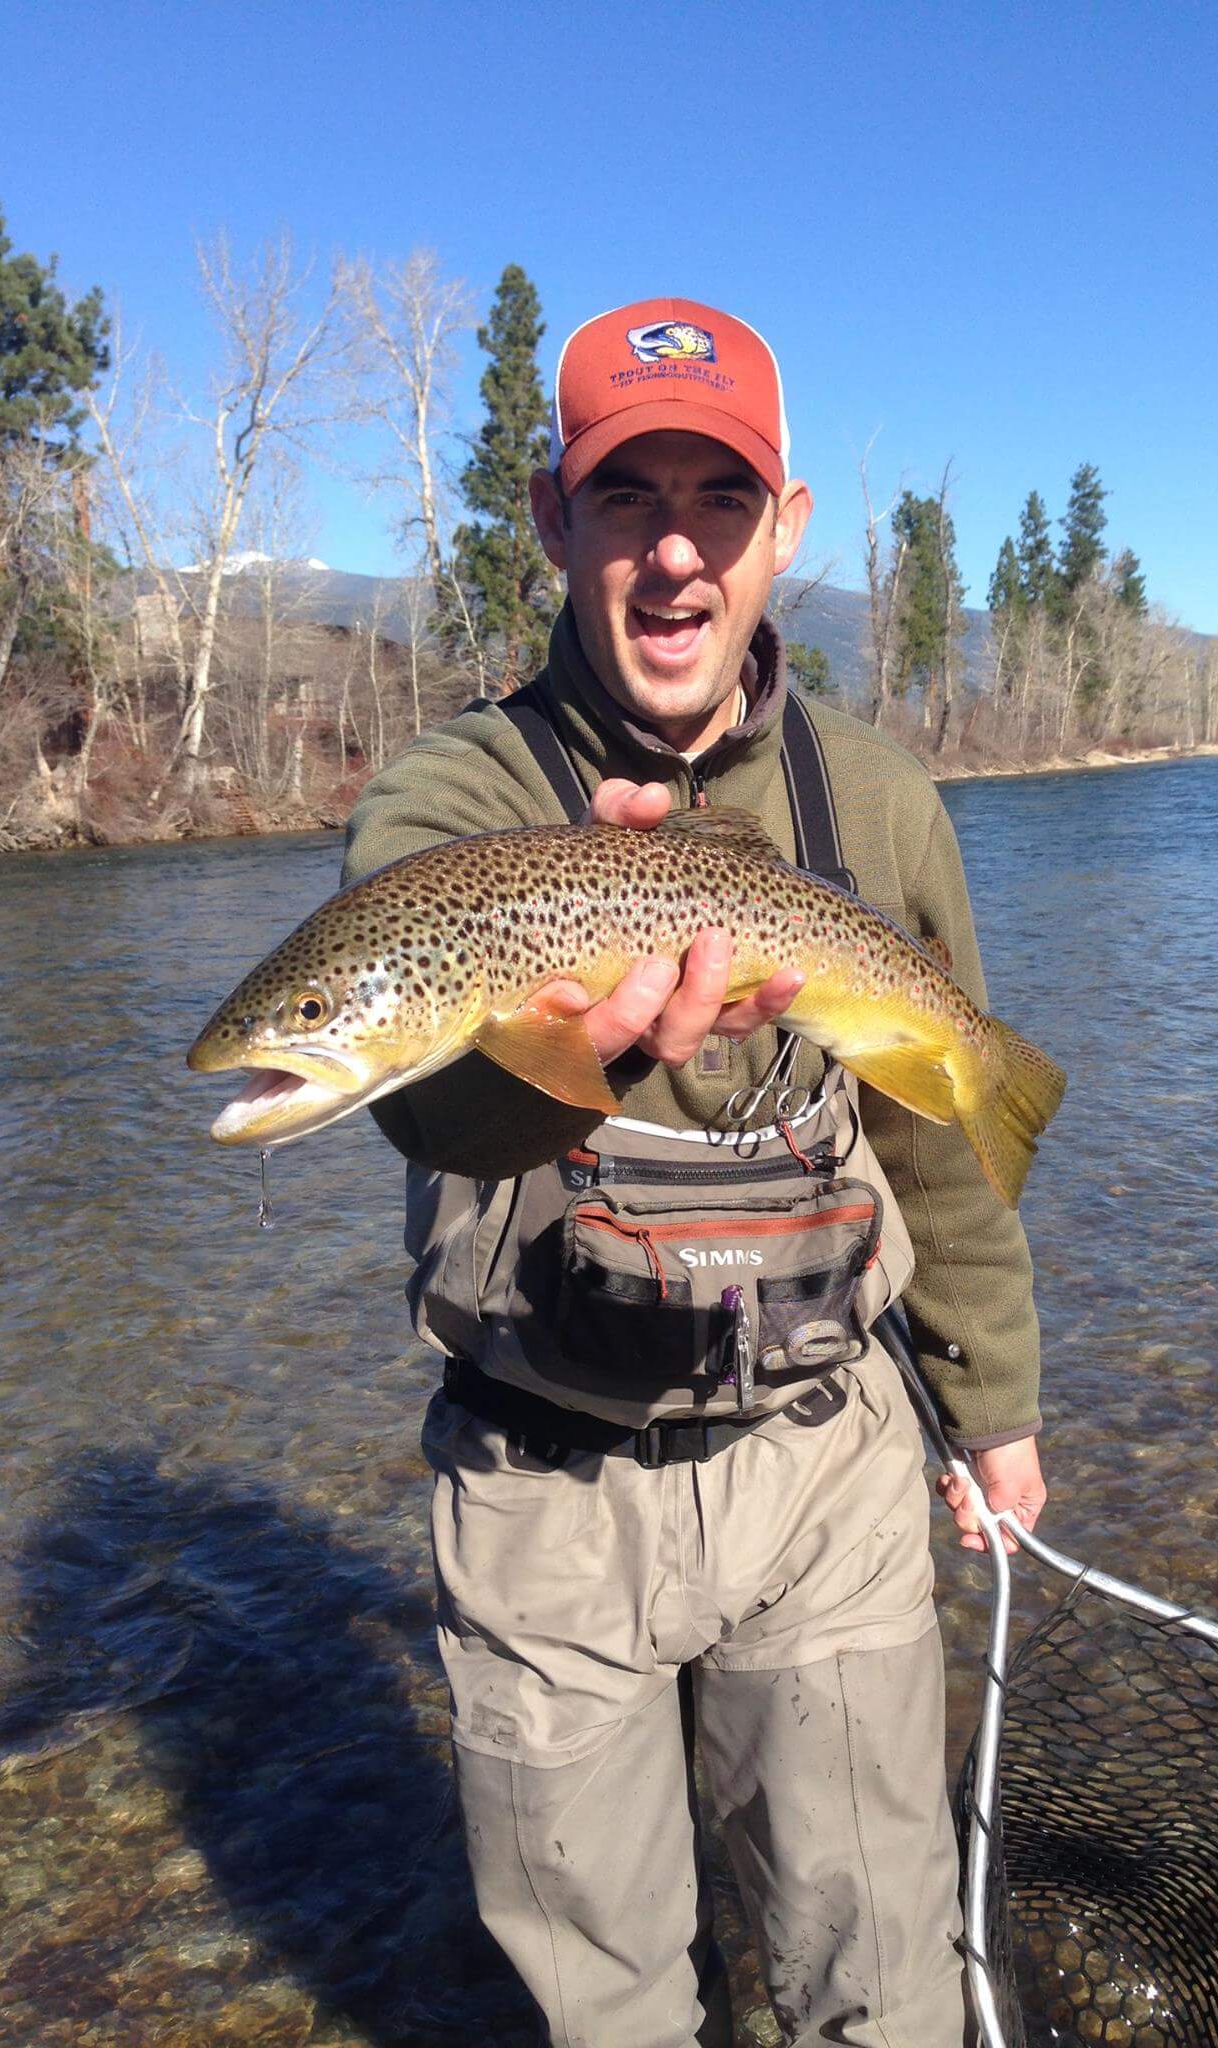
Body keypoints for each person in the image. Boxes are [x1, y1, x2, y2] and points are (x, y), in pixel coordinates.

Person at [342, 297, 1047, 2048]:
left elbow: (942, 1137)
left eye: (716, 503)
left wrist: (997, 1404)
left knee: (872, 1983)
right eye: (624, 497)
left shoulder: (876, 804)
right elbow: (423, 1108)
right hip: (545, 1494)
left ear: (784, 530)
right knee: (608, 2015)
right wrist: (582, 1021)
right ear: (551, 518)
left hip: (828, 1476)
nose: (672, 554)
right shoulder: (450, 804)